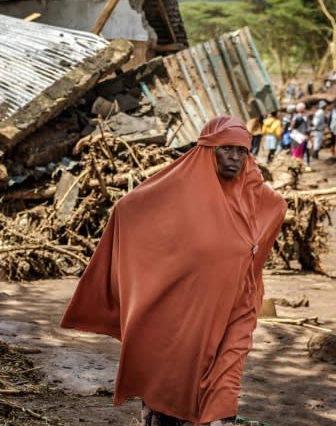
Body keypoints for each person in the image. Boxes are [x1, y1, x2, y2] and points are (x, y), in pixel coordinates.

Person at [60, 115, 287, 426]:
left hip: (237, 306)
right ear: (208, 149)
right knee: (174, 381)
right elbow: (130, 208)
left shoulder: (253, 191)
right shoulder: (178, 189)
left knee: (224, 384)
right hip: (184, 306)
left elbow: (273, 211)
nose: (235, 158)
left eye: (242, 151)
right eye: (226, 149)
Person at [290, 102, 311, 169]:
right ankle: (298, 168)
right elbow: (308, 129)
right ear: (304, 109)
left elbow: (292, 126)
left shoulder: (295, 117)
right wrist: (309, 137)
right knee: (300, 154)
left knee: (294, 153)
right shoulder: (305, 117)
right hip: (301, 138)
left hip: (294, 137)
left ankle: (294, 167)